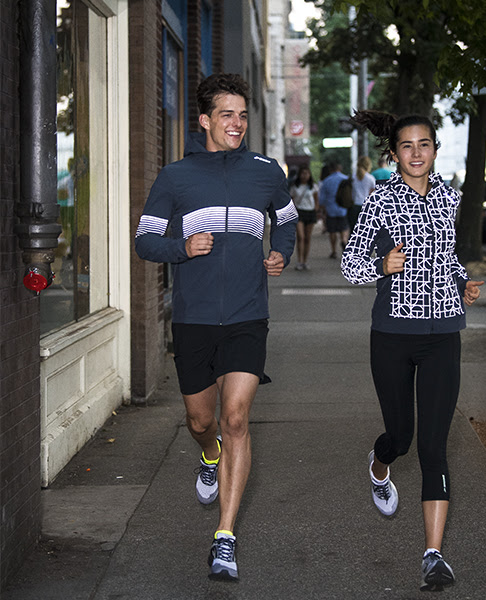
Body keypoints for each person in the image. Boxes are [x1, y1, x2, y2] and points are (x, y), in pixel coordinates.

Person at [135, 73, 297, 581]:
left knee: (235, 419)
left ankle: (224, 537)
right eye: (226, 114)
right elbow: (145, 240)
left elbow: (287, 218)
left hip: (249, 315)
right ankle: (209, 457)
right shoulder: (176, 177)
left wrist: (281, 251)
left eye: (243, 115)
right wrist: (181, 247)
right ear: (204, 119)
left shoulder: (266, 171)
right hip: (194, 319)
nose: (237, 124)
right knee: (203, 424)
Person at [341, 111, 483, 592]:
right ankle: (380, 464)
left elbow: (448, 254)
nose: (417, 152)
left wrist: (462, 282)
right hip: (394, 335)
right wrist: (382, 263)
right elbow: (350, 266)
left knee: (434, 446)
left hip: (444, 333)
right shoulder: (379, 201)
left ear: (436, 150)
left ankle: (433, 555)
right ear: (395, 153)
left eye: (425, 144)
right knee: (401, 437)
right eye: (407, 146)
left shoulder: (450, 197)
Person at [289, 164, 319, 270]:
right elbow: (291, 200)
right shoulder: (295, 186)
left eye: (306, 173)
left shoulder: (313, 186)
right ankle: (299, 261)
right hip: (299, 212)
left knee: (307, 238)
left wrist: (316, 210)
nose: (304, 175)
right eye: (302, 173)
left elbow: (316, 200)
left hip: (310, 212)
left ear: (310, 175)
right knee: (301, 237)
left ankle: (305, 261)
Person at [318, 160, 350, 258]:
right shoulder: (346, 179)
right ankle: (344, 241)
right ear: (340, 169)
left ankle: (333, 251)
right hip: (343, 209)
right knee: (344, 228)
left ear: (330, 170)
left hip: (331, 209)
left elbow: (322, 198)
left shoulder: (326, 181)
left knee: (332, 231)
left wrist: (321, 209)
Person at [348, 156, 376, 233]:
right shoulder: (370, 178)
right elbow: (374, 194)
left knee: (353, 232)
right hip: (366, 208)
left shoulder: (352, 177)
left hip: (353, 207)